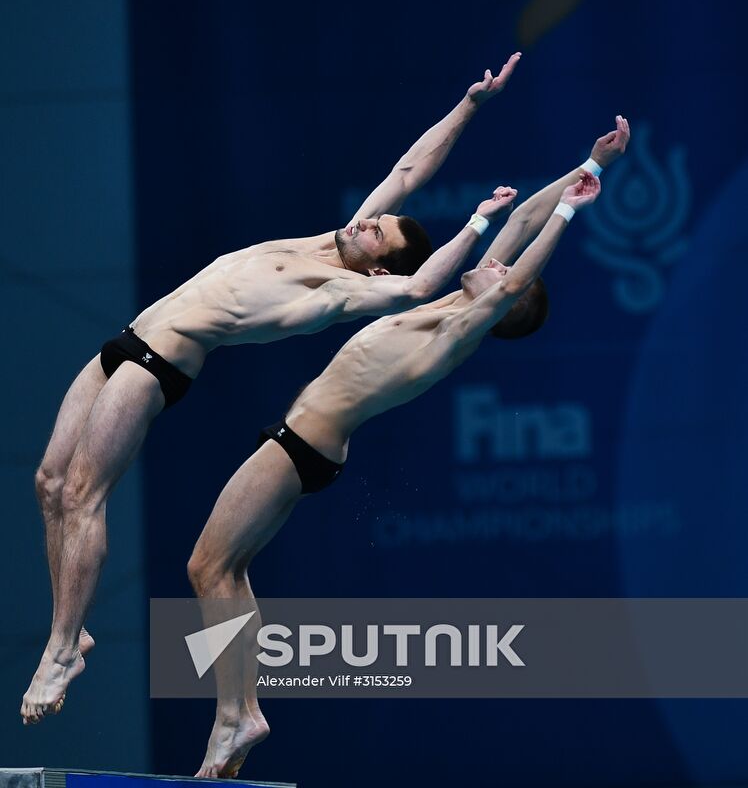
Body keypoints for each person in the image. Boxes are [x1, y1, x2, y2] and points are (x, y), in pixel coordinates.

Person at [21, 54, 523, 725]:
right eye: (377, 218)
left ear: (376, 268)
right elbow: (409, 170)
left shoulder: (340, 289)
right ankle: (72, 628)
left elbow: (420, 285)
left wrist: (480, 224)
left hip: (158, 364)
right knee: (50, 482)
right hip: (124, 341)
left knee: (84, 493)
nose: (368, 220)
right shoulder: (329, 242)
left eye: (378, 231)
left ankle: (61, 650)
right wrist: (470, 105)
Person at [186, 120, 627, 778]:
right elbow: (525, 221)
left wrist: (571, 211)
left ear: (504, 305)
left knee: (206, 567)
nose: (497, 264)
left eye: (505, 274)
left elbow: (518, 272)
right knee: (224, 572)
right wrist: (586, 167)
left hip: (301, 444)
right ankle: (238, 713)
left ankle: (238, 714)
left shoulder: (463, 329)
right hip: (307, 448)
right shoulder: (455, 302)